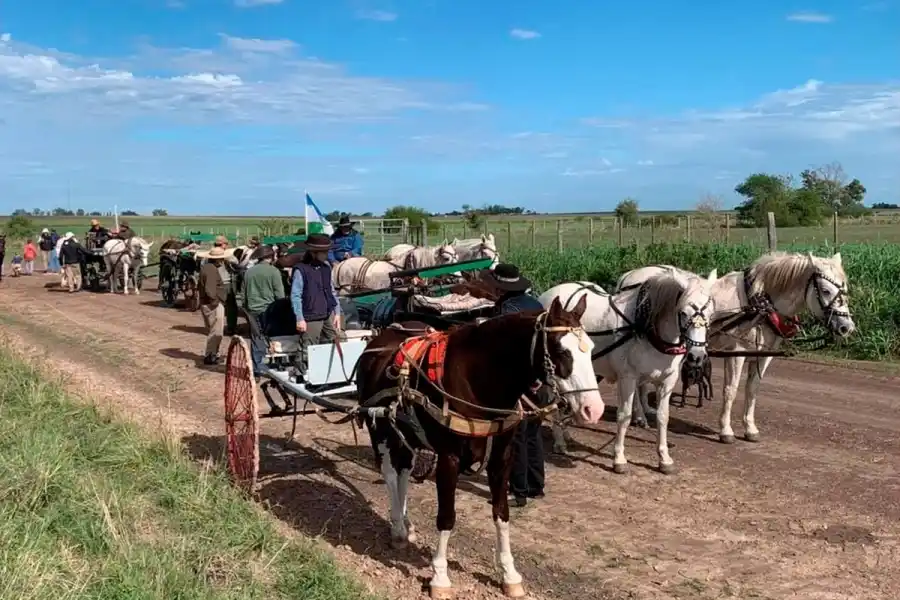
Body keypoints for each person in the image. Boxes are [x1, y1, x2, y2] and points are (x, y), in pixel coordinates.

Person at [483, 263, 547, 507]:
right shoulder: (536, 305)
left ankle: (518, 490)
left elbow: (497, 348)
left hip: (517, 382)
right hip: (538, 380)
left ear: (500, 288)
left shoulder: (504, 310)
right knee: (533, 434)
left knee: (515, 436)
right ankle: (536, 485)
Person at [290, 234, 343, 375]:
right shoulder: (301, 270)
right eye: (324, 252)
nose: (327, 255)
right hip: (310, 314)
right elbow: (295, 295)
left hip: (327, 313)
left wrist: (337, 312)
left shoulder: (326, 268)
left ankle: (326, 372)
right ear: (313, 252)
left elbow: (332, 291)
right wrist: (300, 318)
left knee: (336, 340)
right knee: (307, 348)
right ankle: (300, 374)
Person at [242, 245, 286, 376]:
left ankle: (257, 369)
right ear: (270, 257)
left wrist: (246, 309)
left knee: (256, 338)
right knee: (275, 337)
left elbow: (243, 294)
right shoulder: (274, 272)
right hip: (269, 309)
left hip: (252, 309)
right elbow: (280, 295)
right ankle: (276, 366)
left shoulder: (249, 272)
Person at [197, 246, 228, 365]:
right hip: (213, 304)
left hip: (208, 303)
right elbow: (210, 289)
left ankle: (212, 354)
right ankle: (210, 355)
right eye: (222, 259)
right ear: (218, 260)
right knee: (216, 332)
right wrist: (216, 302)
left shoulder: (207, 268)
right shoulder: (211, 270)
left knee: (213, 330)